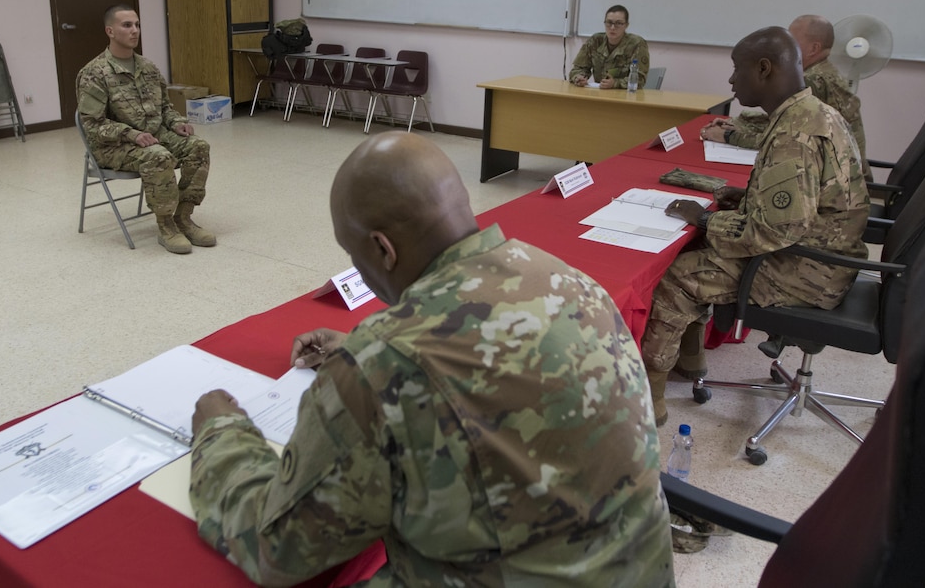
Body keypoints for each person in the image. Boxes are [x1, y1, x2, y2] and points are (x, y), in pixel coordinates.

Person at [189, 132, 674, 586]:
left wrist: (221, 430)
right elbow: (498, 360)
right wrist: (368, 351)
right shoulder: (570, 280)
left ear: (382, 248)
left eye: (352, 252)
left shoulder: (380, 367)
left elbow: (277, 549)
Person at [641, 26, 870, 425]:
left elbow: (772, 233)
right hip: (832, 255)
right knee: (700, 248)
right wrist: (743, 199)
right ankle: (690, 359)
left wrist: (708, 219)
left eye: (736, 69)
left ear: (764, 69)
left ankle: (649, 397)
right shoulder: (812, 112)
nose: (731, 80)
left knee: (678, 276)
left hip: (807, 270)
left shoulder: (793, 134)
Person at [77, 5, 216, 254]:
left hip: (154, 135)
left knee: (198, 147)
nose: (134, 31)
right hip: (114, 146)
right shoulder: (94, 73)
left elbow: (164, 108)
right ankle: (166, 227)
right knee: (158, 156)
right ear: (110, 31)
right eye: (127, 25)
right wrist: (132, 134)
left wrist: (177, 123)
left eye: (137, 25)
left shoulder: (148, 68)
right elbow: (93, 125)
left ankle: (183, 218)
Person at [702, 14, 870, 179]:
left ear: (814, 48)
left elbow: (781, 139)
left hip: (837, 179)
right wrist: (739, 122)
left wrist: (727, 136)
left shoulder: (813, 81)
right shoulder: (824, 71)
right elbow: (783, 121)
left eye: (792, 41)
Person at [568, 4, 650, 89]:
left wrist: (615, 83)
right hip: (600, 94)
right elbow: (578, 69)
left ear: (626, 25)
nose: (612, 27)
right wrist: (579, 77)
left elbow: (640, 79)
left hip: (624, 96)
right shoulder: (595, 41)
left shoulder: (637, 44)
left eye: (618, 23)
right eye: (609, 22)